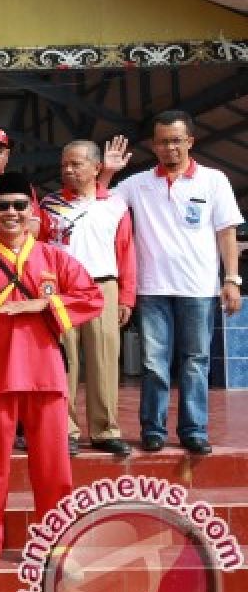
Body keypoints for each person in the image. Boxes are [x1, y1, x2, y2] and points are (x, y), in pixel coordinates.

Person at [0, 172, 104, 573]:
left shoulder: (55, 258)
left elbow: (91, 298)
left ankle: (60, 544)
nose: (12, 213)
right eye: (3, 206)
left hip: (45, 374)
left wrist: (42, 307)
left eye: (20, 205)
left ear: (33, 210)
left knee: (53, 466)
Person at [103, 111, 244, 454]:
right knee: (155, 363)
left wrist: (232, 278)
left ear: (190, 142)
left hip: (198, 288)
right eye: (163, 142)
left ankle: (194, 429)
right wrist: (107, 171)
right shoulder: (137, 184)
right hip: (152, 289)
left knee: (196, 360)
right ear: (154, 145)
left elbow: (226, 232)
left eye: (176, 141)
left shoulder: (213, 181)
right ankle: (153, 429)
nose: (170, 148)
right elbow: (102, 207)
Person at [39, 139, 136, 457]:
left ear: (97, 167)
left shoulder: (116, 204)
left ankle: (105, 429)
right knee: (64, 361)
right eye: (65, 164)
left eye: (76, 164)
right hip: (62, 288)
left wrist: (126, 296)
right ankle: (64, 429)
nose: (68, 169)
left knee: (104, 359)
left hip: (102, 286)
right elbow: (39, 251)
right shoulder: (49, 205)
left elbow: (126, 252)